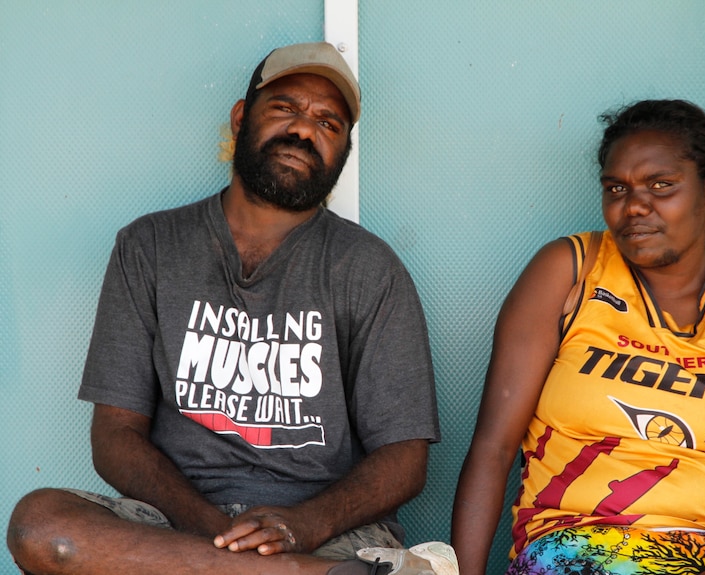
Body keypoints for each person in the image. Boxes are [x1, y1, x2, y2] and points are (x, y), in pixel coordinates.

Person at [6, 42, 458, 575]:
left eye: (329, 124)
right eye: (286, 108)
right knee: (40, 526)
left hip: (325, 532)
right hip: (173, 525)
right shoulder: (151, 246)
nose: (304, 130)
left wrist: (304, 526)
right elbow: (115, 435)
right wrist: (211, 529)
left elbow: (404, 462)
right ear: (243, 117)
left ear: (342, 152)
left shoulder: (369, 268)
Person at [451, 99, 705, 574]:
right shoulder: (571, 272)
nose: (634, 205)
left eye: (661, 186)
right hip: (584, 542)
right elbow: (493, 446)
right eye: (616, 188)